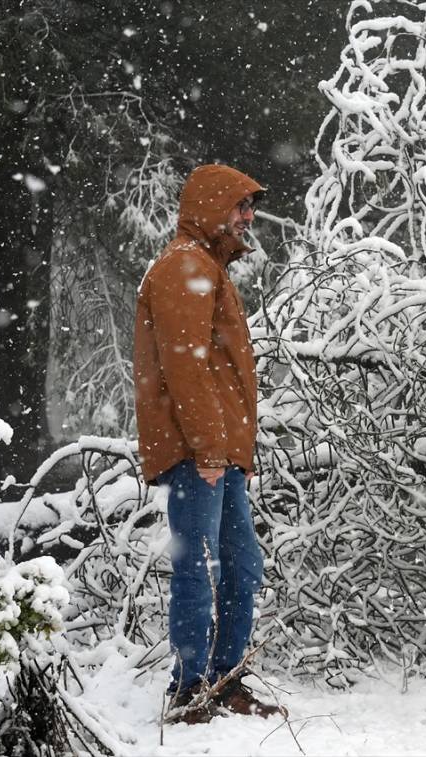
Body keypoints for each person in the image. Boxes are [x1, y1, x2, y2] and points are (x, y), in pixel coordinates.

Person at [133, 164, 285, 724]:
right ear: (212, 204)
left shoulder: (206, 267)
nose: (249, 218)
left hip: (220, 453)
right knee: (198, 567)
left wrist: (229, 450)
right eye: (241, 206)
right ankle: (190, 690)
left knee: (242, 566)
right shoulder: (185, 267)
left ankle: (223, 682)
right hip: (202, 453)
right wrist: (211, 446)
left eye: (252, 207)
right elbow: (186, 367)